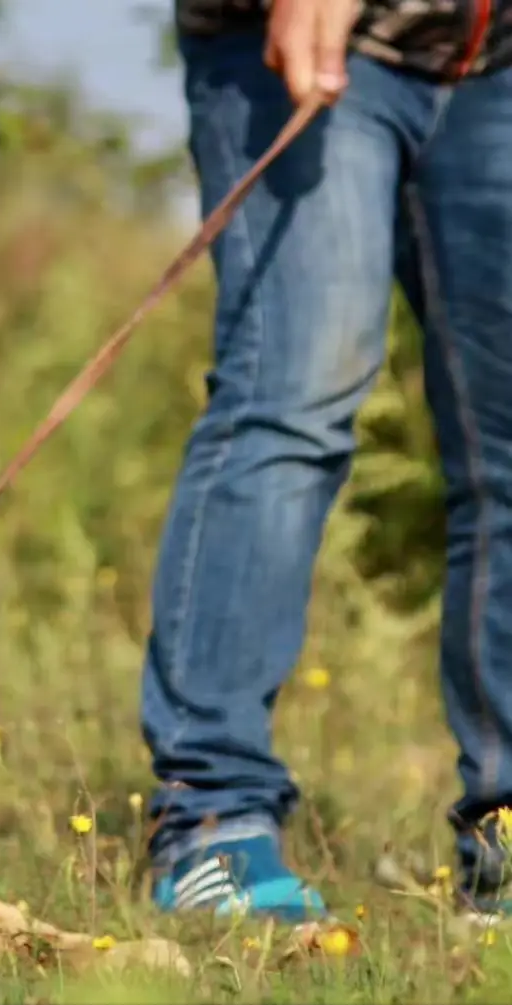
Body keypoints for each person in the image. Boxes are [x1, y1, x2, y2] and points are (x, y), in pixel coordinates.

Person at [146, 0, 512, 921]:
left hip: (493, 56)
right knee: (290, 404)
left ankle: (504, 845)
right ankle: (213, 821)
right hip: (305, 36)